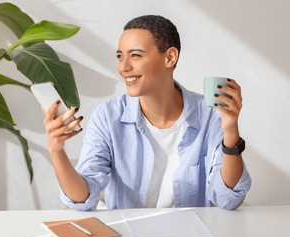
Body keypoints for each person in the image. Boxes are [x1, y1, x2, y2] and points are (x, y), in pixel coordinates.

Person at [43, 15, 251, 211]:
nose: (123, 67)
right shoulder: (108, 116)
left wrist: (231, 131)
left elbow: (228, 199)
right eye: (119, 56)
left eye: (135, 55)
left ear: (170, 57)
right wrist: (57, 151)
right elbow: (83, 198)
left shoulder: (209, 115)